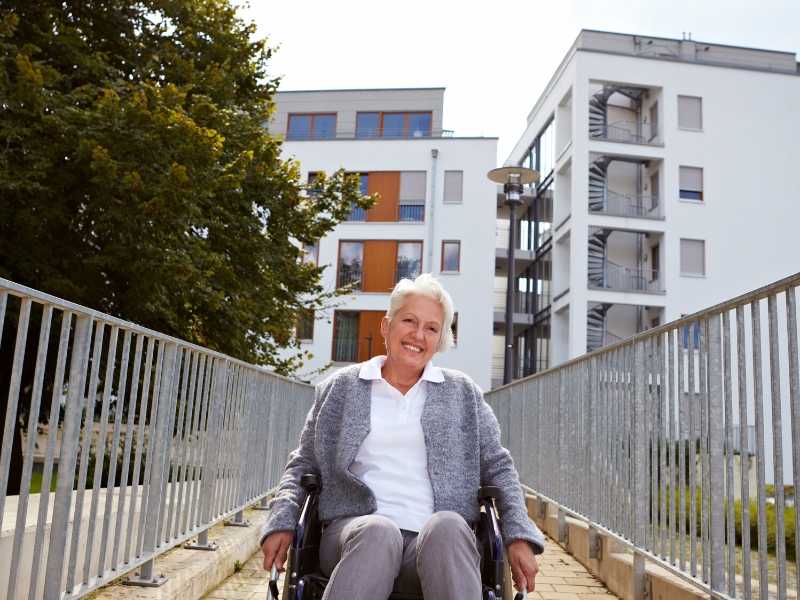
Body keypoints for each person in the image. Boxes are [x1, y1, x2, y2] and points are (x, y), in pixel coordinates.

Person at [261, 273, 544, 599]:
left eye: (432, 328)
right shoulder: (343, 387)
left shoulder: (462, 393)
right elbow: (303, 463)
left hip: (432, 549)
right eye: (409, 320)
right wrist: (282, 521)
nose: (418, 335)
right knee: (378, 531)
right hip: (353, 537)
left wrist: (518, 535)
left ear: (439, 340)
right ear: (386, 326)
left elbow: (499, 467)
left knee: (449, 527)